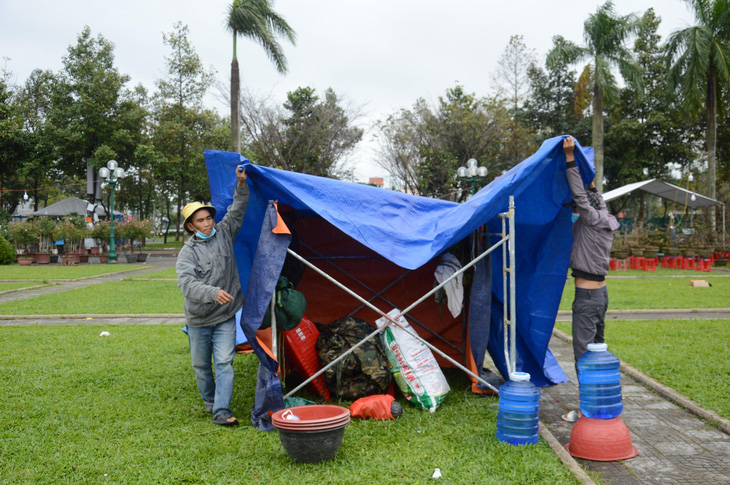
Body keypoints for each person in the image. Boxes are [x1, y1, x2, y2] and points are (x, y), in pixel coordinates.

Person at [176, 165, 249, 426]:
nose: (207, 223)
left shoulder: (225, 232)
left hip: (225, 316)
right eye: (200, 220)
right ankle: (210, 401)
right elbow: (186, 283)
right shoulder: (187, 253)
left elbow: (237, 210)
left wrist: (240, 184)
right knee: (201, 368)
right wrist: (212, 292)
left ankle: (221, 410)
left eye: (208, 218)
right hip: (198, 319)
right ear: (190, 226)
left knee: (224, 362)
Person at [562, 136, 620, 422]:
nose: (577, 211)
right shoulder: (606, 220)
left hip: (586, 300)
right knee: (597, 355)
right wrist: (594, 185)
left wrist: (571, 158)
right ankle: (599, 405)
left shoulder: (591, 218)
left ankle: (586, 411)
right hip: (601, 297)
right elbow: (594, 200)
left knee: (583, 357)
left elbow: (581, 197)